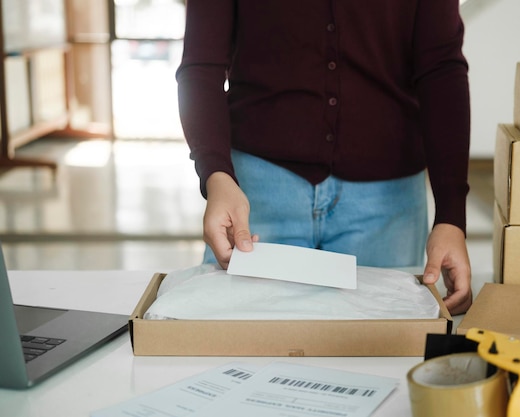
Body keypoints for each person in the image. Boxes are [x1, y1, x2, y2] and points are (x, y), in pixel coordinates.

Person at [176, 0, 472, 315]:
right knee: (235, 347)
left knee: (383, 355)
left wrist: (451, 217)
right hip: (253, 191)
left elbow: (441, 68)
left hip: (387, 203)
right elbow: (201, 64)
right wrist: (216, 175)